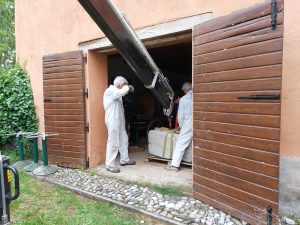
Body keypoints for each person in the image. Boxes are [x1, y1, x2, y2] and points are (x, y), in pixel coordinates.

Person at [103, 76, 136, 173]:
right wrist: (128, 87)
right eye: (124, 85)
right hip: (112, 119)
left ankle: (124, 160)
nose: (126, 89)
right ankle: (109, 165)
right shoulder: (111, 90)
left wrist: (126, 87)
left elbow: (121, 94)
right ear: (120, 85)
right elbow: (121, 92)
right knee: (113, 142)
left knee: (124, 139)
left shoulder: (117, 93)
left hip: (119, 120)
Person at [166, 82, 192, 172]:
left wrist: (180, 126)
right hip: (198, 123)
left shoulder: (184, 99)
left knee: (180, 143)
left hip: (188, 124)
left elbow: (180, 116)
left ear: (185, 90)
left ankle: (174, 165)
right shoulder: (197, 97)